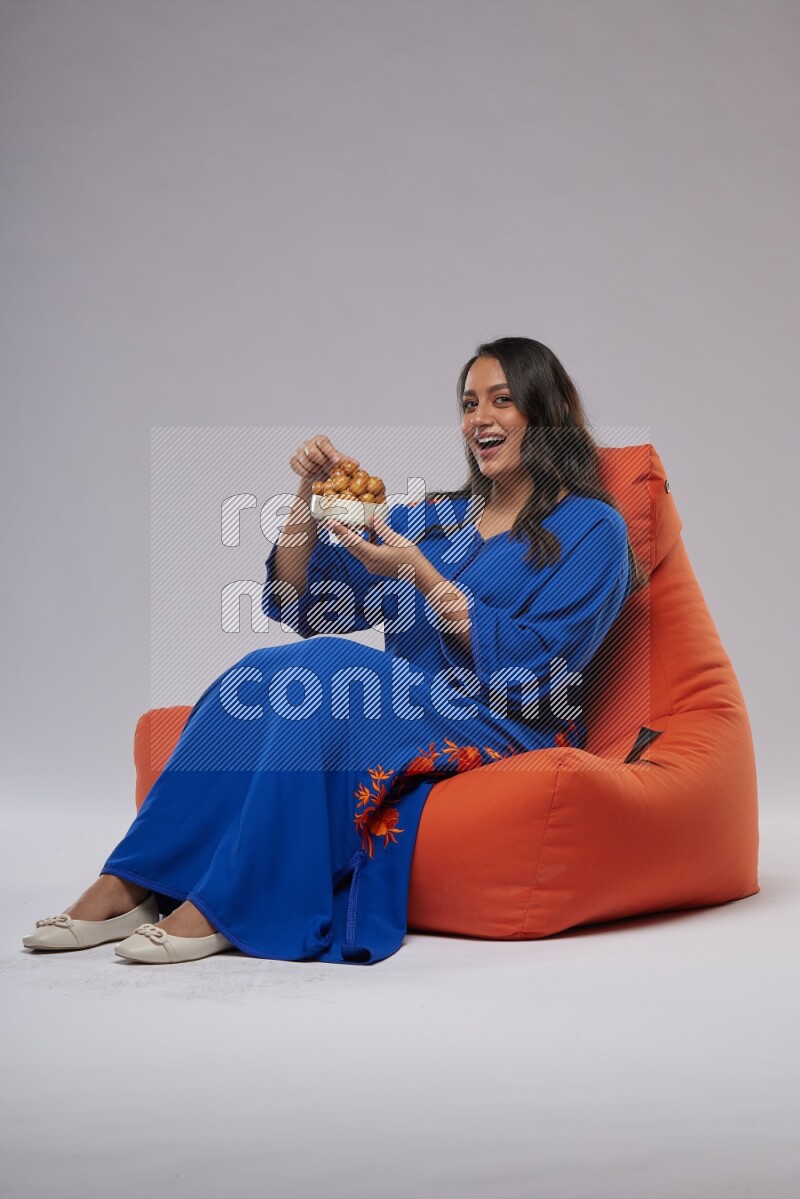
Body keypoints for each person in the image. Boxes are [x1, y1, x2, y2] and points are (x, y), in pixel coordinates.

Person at [22, 337, 645, 965]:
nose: (478, 419)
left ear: (547, 411)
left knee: (327, 672)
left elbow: (543, 669)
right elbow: (299, 602)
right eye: (468, 403)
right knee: (256, 675)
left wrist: (422, 574)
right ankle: (130, 881)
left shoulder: (593, 527)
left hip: (505, 719)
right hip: (408, 703)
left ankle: (235, 902)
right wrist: (307, 495)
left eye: (501, 400)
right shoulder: (437, 518)